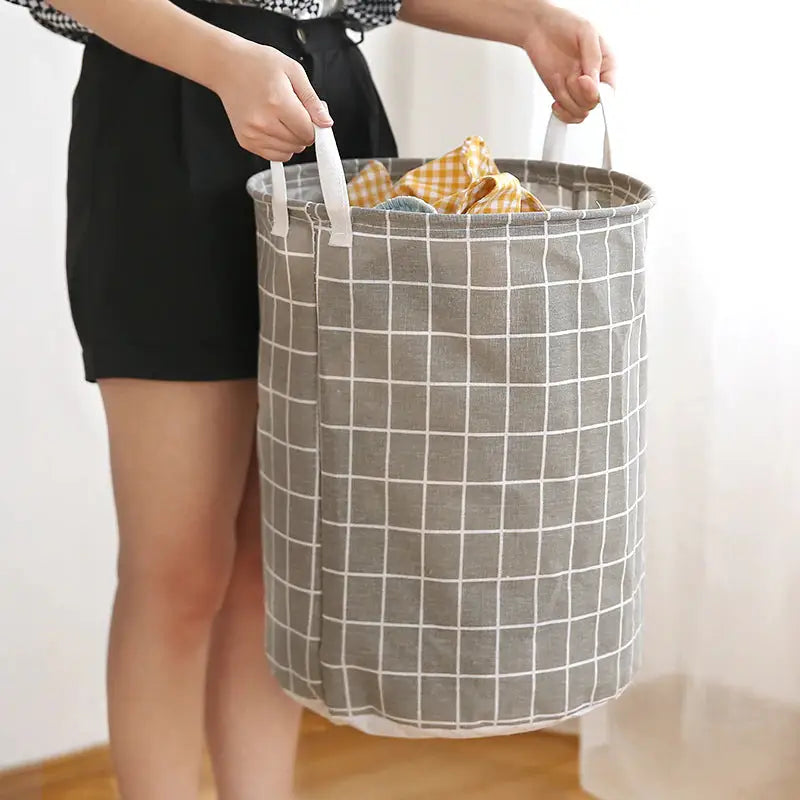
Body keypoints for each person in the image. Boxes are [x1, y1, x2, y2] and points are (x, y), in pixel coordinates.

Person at [5, 0, 614, 798]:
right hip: (168, 101)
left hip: (329, 109)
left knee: (282, 567)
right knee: (179, 569)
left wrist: (525, 22)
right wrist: (222, 60)